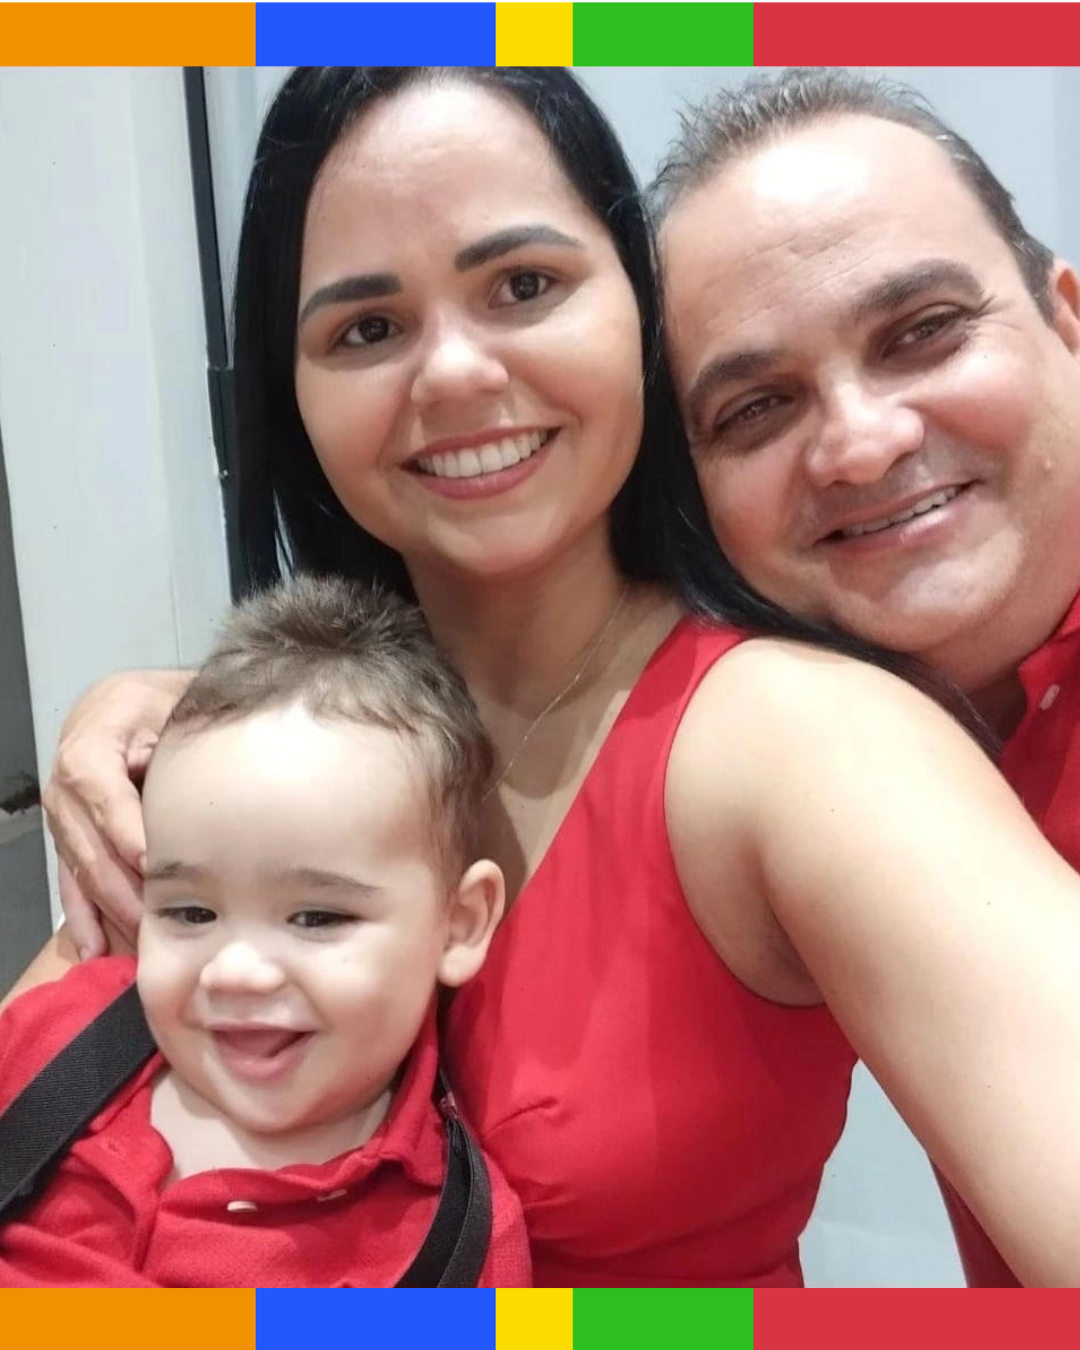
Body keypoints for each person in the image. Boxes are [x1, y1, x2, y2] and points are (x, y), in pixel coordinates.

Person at [19, 67, 1080, 1287]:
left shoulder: (802, 744)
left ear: (639, 318)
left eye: (524, 286)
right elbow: (41, 1110)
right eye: (365, 329)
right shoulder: (242, 746)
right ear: (291, 393)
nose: (454, 375)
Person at [653, 67, 1080, 1286]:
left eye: (924, 333)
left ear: (1067, 319)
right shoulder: (785, 726)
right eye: (755, 409)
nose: (859, 443)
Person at [0, 576, 530, 1288]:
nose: (236, 971)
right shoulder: (59, 1036)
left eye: (317, 917)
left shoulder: (452, 1251)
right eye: (190, 913)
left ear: (459, 925)